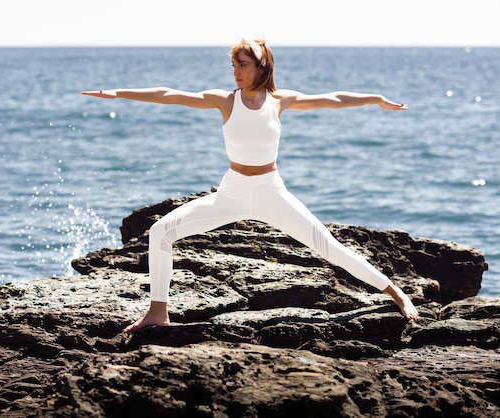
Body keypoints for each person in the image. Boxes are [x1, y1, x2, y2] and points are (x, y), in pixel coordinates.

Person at [82, 38, 419, 333]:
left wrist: (375, 98)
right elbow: (170, 95)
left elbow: (332, 98)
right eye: (233, 64)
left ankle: (396, 293)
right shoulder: (226, 100)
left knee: (328, 247)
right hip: (232, 193)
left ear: (261, 67)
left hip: (272, 193)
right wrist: (117, 93)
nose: (235, 71)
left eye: (242, 64)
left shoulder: (279, 101)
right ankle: (158, 312)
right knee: (160, 232)